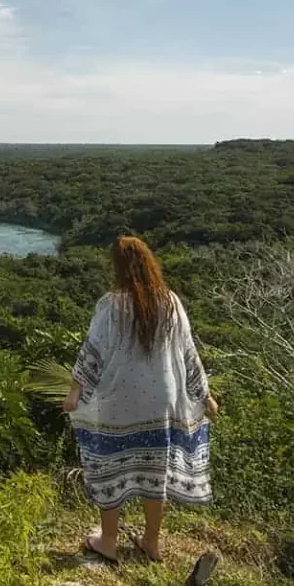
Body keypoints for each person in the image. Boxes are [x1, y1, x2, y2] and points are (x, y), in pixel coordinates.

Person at [62, 236, 218, 563]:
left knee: (110, 466)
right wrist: (205, 394)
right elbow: (189, 353)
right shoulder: (170, 302)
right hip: (161, 399)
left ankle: (107, 540)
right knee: (155, 470)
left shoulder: (111, 304)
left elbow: (94, 350)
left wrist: (76, 390)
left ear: (117, 268)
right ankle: (151, 542)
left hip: (119, 396)